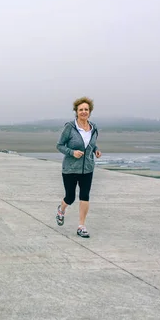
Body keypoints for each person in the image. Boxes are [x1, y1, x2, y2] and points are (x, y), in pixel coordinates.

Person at [55, 97, 101, 238]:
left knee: (85, 196)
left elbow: (92, 144)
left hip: (87, 168)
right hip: (70, 169)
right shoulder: (70, 127)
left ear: (90, 111)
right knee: (70, 197)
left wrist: (96, 150)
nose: (83, 112)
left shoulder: (93, 128)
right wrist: (72, 152)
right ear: (76, 111)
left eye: (86, 109)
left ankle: (81, 226)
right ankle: (61, 210)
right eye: (81, 109)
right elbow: (59, 145)